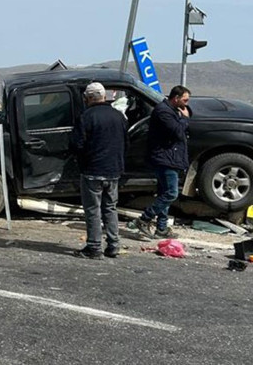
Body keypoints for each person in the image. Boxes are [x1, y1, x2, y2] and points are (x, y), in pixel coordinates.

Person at [70, 82, 128, 259]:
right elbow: (126, 143)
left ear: (87, 98)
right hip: (113, 170)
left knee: (93, 209)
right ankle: (113, 245)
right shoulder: (119, 116)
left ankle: (94, 247)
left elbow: (77, 144)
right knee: (110, 208)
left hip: (92, 170)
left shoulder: (86, 117)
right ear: (104, 96)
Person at [134, 85, 191, 240]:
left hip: (170, 158)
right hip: (165, 159)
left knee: (164, 193)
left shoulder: (172, 111)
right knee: (171, 193)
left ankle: (162, 227)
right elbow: (178, 132)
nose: (186, 104)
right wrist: (185, 119)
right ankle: (144, 218)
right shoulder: (163, 112)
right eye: (184, 100)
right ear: (176, 98)